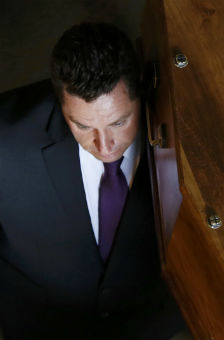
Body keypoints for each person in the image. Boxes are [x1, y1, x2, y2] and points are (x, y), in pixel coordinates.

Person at [0, 23, 184, 339]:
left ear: (140, 95)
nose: (105, 145)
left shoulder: (182, 138)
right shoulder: (6, 142)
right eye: (83, 126)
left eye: (119, 122)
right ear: (60, 105)